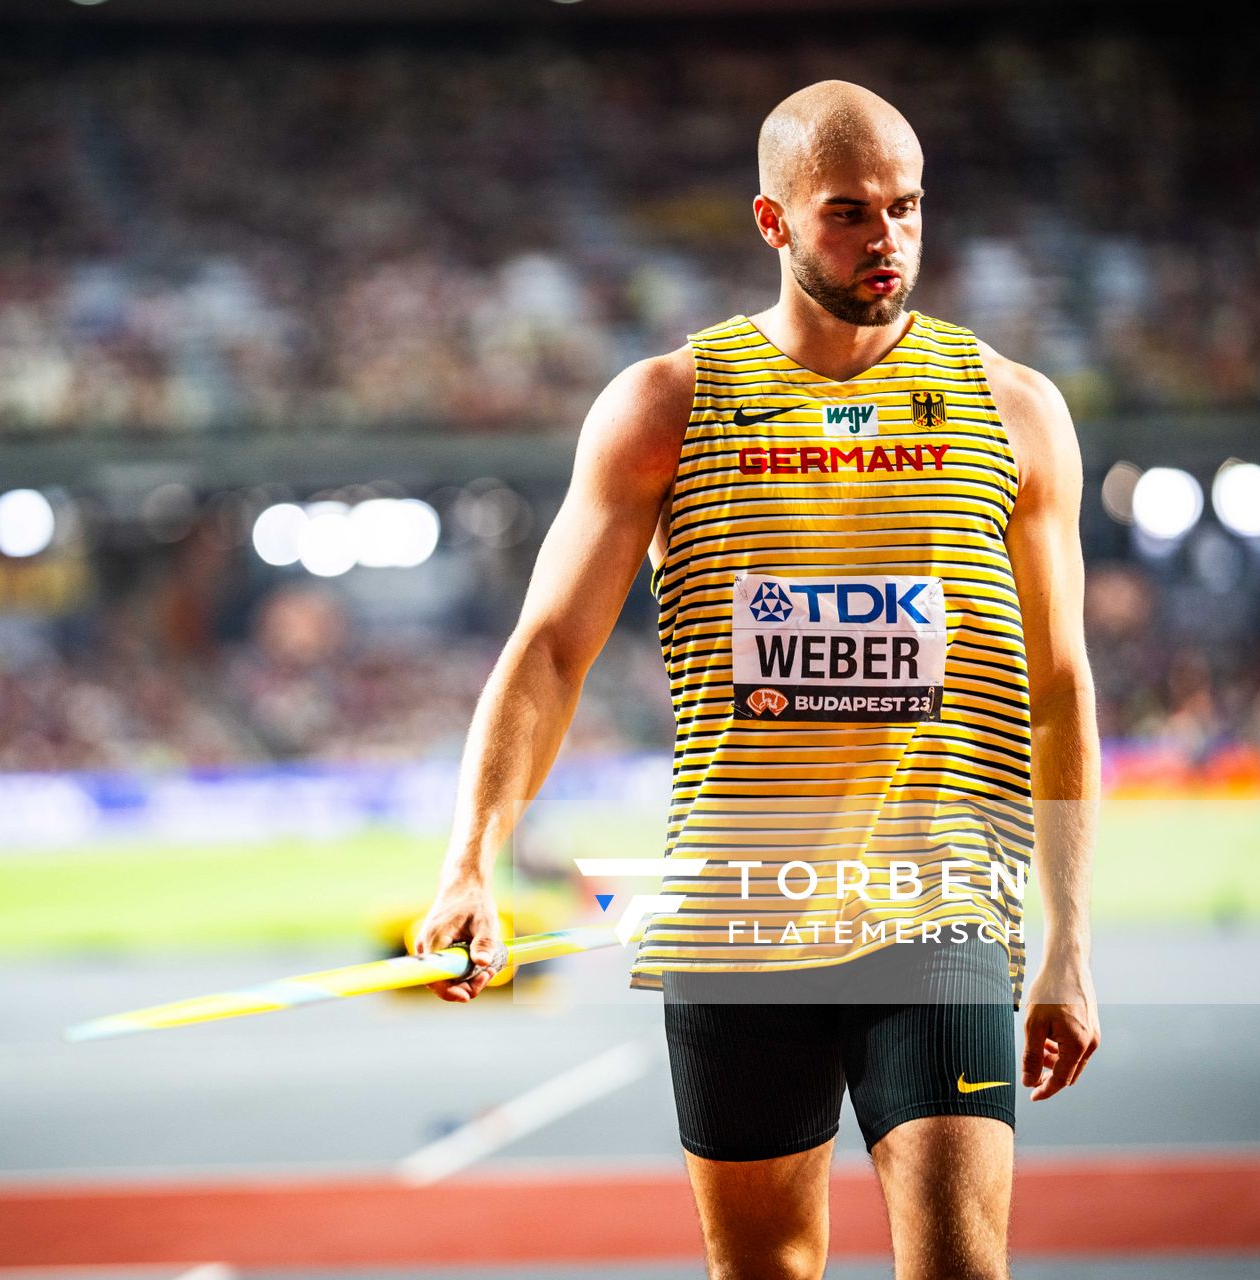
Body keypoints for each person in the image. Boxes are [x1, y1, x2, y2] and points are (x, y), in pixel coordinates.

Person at [416, 80, 1100, 1279]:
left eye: (908, 207)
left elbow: (1057, 681)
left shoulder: (1014, 410)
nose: (887, 236)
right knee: (766, 1270)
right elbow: (549, 650)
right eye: (849, 211)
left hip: (936, 908)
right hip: (741, 920)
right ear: (773, 222)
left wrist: (1070, 937)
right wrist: (470, 859)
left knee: (958, 1263)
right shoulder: (666, 405)